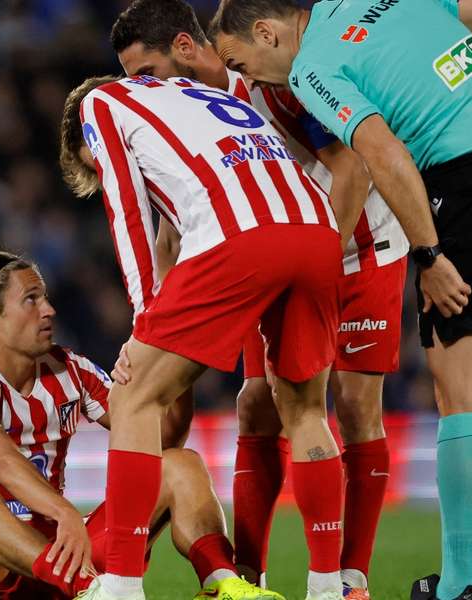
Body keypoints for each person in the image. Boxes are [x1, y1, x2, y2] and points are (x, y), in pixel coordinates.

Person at [207, 1, 472, 599]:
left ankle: (459, 586)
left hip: (464, 190)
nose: (248, 77)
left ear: (267, 31)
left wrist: (429, 255)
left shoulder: (312, 68)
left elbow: (380, 154)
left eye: (243, 63)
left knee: (461, 398)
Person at [108, 2, 409, 597]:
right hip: (268, 254)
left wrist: (319, 269)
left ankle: (349, 578)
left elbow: (353, 170)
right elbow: (170, 232)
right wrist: (158, 335)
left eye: (146, 72)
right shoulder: (187, 110)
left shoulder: (275, 80)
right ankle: (248, 576)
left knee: (352, 407)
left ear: (185, 48)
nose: (141, 88)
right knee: (256, 404)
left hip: (359, 244)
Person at [60, 72, 344, 600]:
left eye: (93, 163)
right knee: (305, 411)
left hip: (238, 232)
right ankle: (329, 587)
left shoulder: (100, 102)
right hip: (317, 226)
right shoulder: (199, 96)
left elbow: (127, 211)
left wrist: (144, 317)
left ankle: (121, 584)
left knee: (132, 396)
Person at [0, 251, 283, 600]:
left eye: (45, 297)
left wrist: (171, 361)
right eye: (31, 299)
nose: (48, 310)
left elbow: (162, 438)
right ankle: (91, 590)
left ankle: (221, 583)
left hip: (58, 553)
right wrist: (63, 510)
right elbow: (1, 460)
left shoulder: (70, 370)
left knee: (179, 464)